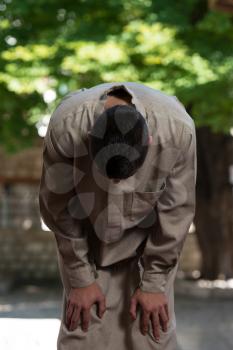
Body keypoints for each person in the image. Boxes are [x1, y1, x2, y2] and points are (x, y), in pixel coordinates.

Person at [39, 82, 196, 350]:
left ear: (149, 140)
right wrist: (80, 278)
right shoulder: (66, 127)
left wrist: (154, 283)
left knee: (151, 332)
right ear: (89, 137)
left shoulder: (177, 131)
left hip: (149, 242)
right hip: (85, 238)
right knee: (82, 331)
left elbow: (176, 212)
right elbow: (58, 207)